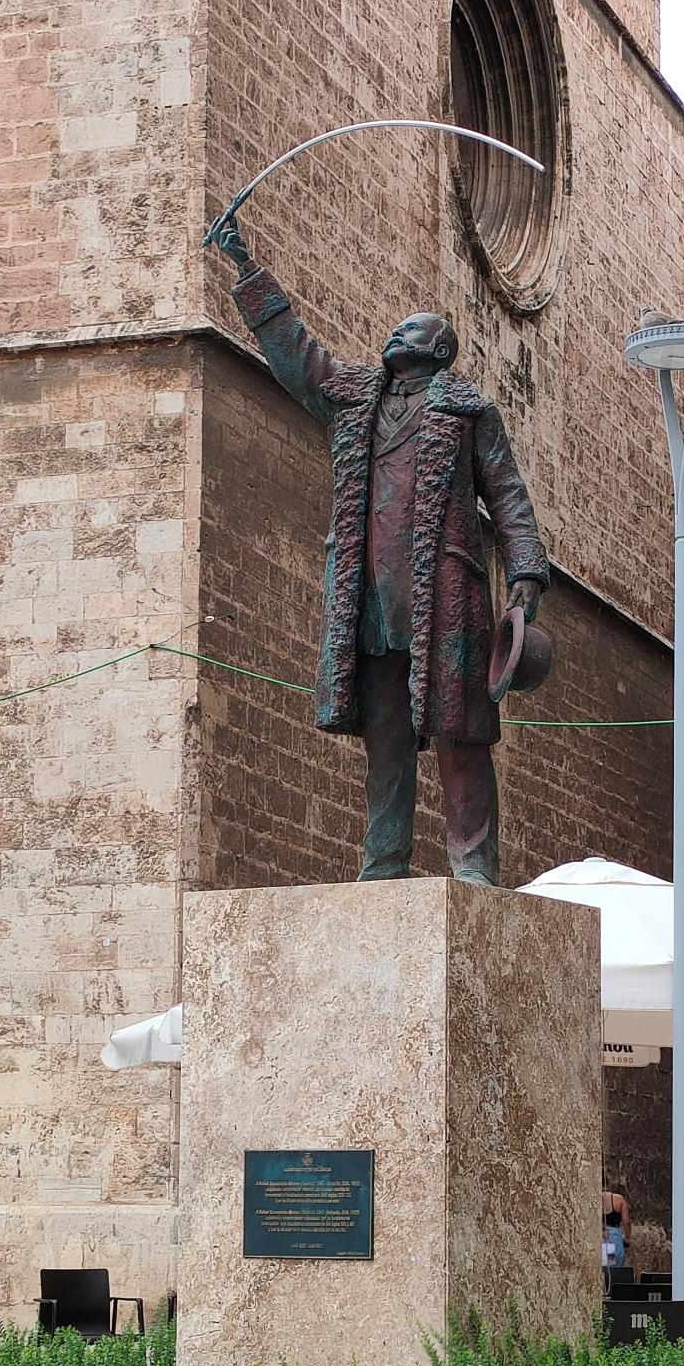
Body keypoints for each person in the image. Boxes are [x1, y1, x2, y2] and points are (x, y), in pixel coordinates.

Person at [215, 215, 550, 887]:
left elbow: (509, 496)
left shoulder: (469, 411)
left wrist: (526, 575)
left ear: (440, 348)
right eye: (396, 329)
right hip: (370, 599)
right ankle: (384, 859)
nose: (396, 333)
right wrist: (247, 271)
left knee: (461, 738)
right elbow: (296, 356)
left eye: (412, 329)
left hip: (447, 601)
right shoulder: (353, 397)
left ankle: (473, 867)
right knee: (387, 740)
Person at [602, 1179, 631, 1269]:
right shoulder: (619, 1199)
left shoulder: (590, 1199)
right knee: (614, 1273)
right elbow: (626, 1222)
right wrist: (627, 1238)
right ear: (608, 1183)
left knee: (604, 1272)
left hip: (598, 1238)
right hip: (613, 1239)